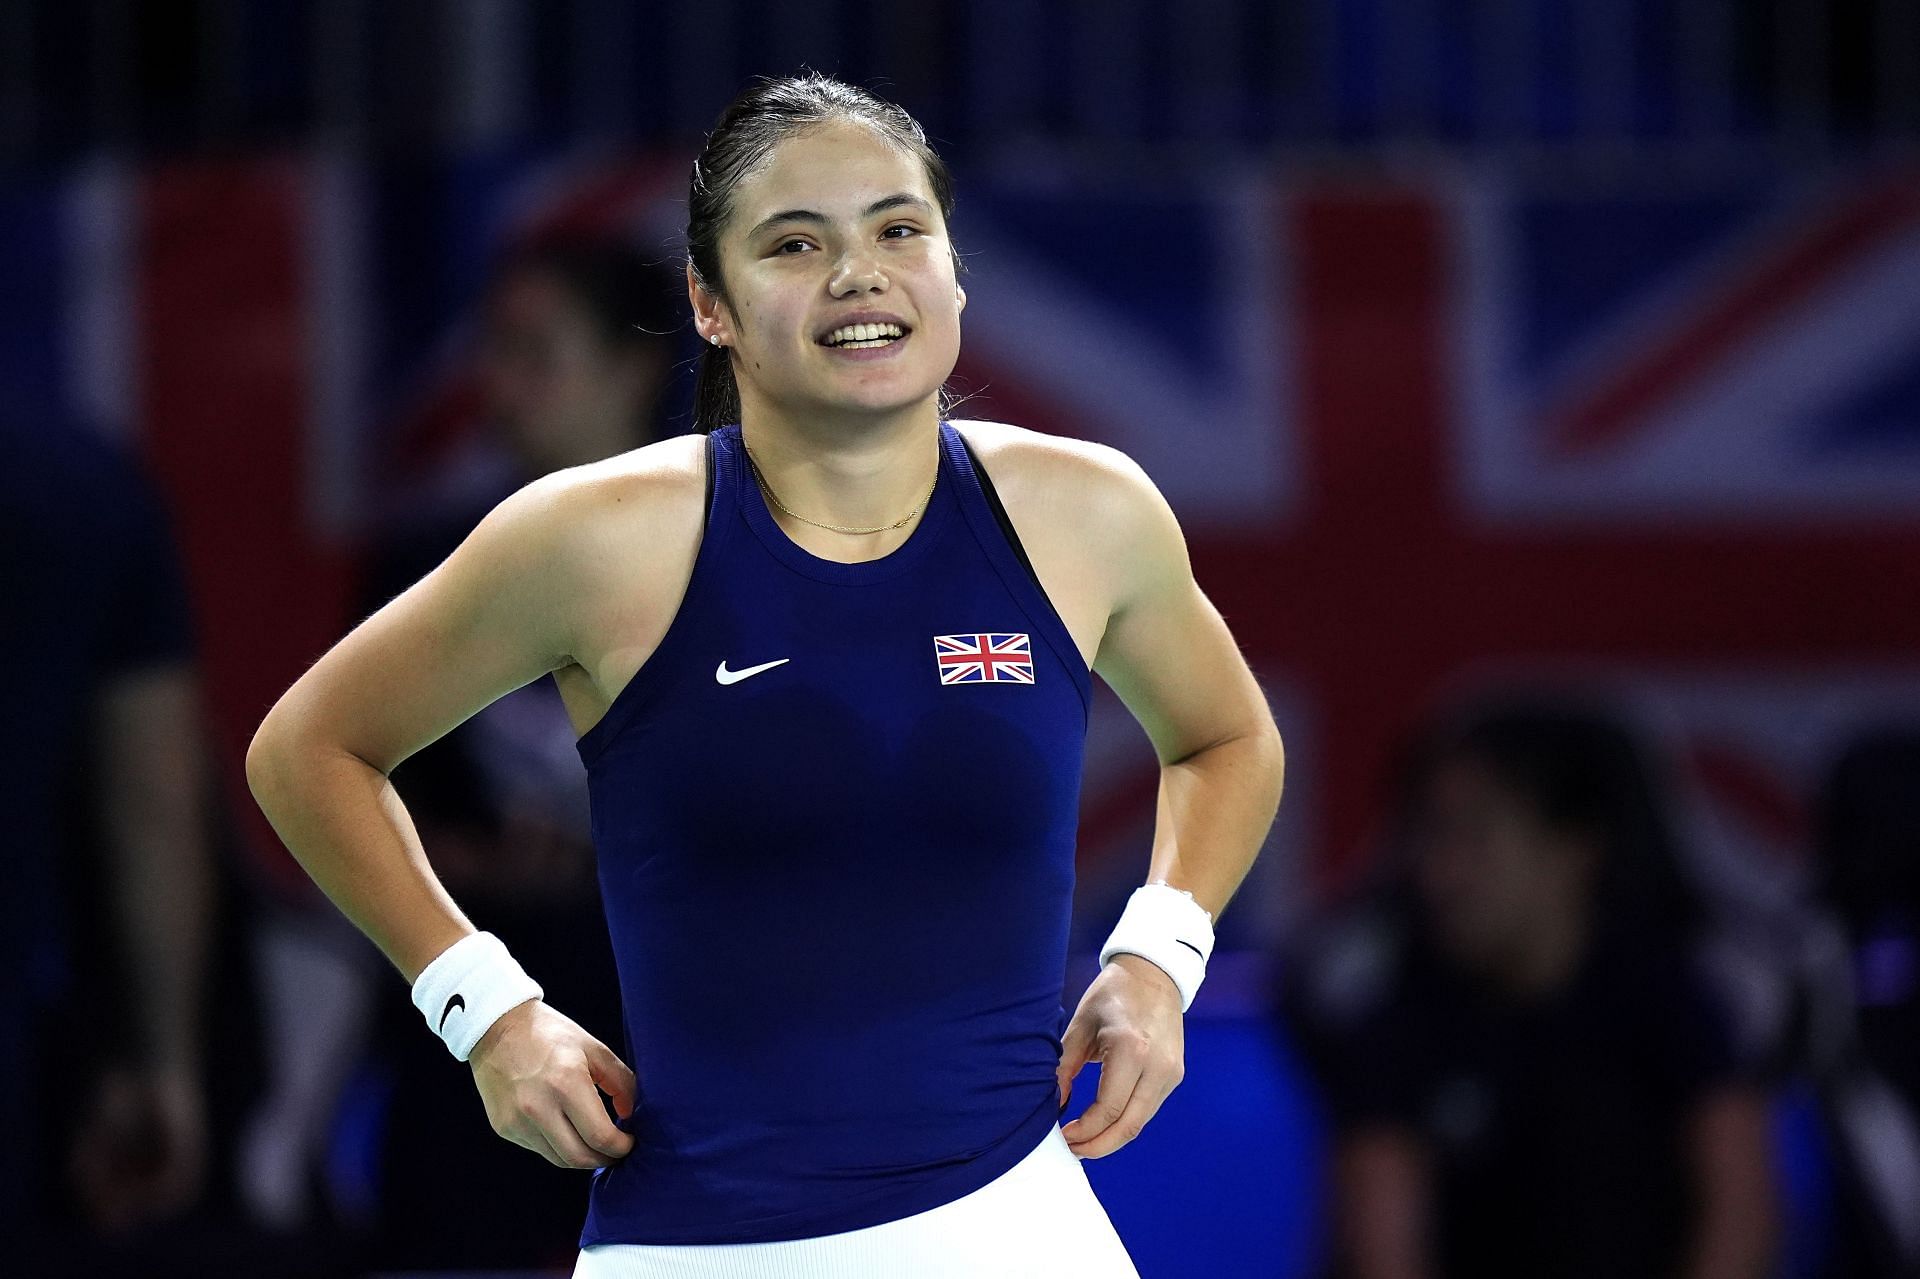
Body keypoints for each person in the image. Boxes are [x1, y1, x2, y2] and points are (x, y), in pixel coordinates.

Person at [246, 71, 1286, 1277]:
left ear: (954, 274)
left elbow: (1226, 738)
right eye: (796, 243)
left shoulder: (1085, 511)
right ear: (711, 304)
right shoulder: (595, 540)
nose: (859, 273)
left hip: (1021, 1226)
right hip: (695, 1245)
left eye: (900, 229)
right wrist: (483, 1010)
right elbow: (308, 749)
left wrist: (1159, 955)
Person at [356, 235, 684, 1270]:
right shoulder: (421, 567)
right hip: (475, 1052)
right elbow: (333, 781)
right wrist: (463, 872)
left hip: (680, 1044)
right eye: (490, 351)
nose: (497, 386)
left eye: (534, 351)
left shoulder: (734, 557)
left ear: (632, 368)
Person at [1280, 695, 1779, 1279]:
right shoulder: (1396, 1021)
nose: (1438, 873)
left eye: (1472, 836)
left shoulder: (1671, 1000)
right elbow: (1384, 1249)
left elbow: (1742, 1213)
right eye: (1430, 837)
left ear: (1574, 847)